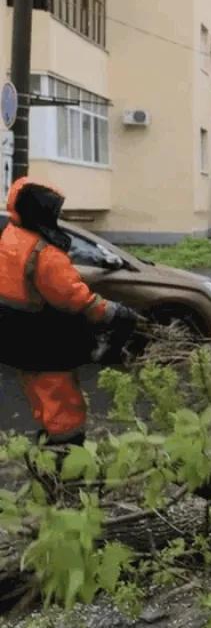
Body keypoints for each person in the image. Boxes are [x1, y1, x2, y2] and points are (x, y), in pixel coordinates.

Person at [0, 177, 140, 455]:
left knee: (40, 395)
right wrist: (113, 312)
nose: (57, 216)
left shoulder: (9, 238)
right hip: (45, 340)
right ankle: (67, 463)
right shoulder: (45, 255)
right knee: (63, 404)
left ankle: (49, 447)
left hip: (14, 337)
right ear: (39, 210)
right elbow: (75, 298)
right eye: (54, 210)